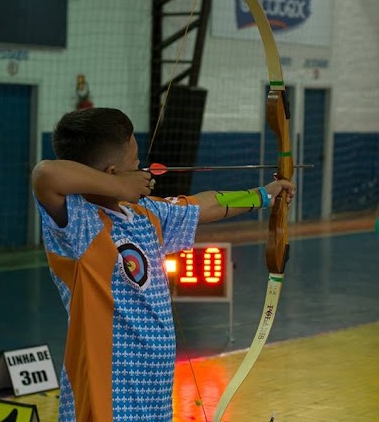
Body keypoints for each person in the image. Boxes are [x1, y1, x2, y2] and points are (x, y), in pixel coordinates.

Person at [31, 107, 295, 422]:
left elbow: (206, 205)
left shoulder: (144, 214)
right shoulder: (80, 224)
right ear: (111, 171)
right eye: (136, 163)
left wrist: (264, 195)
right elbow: (45, 175)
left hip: (154, 391)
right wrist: (118, 188)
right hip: (107, 393)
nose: (142, 170)